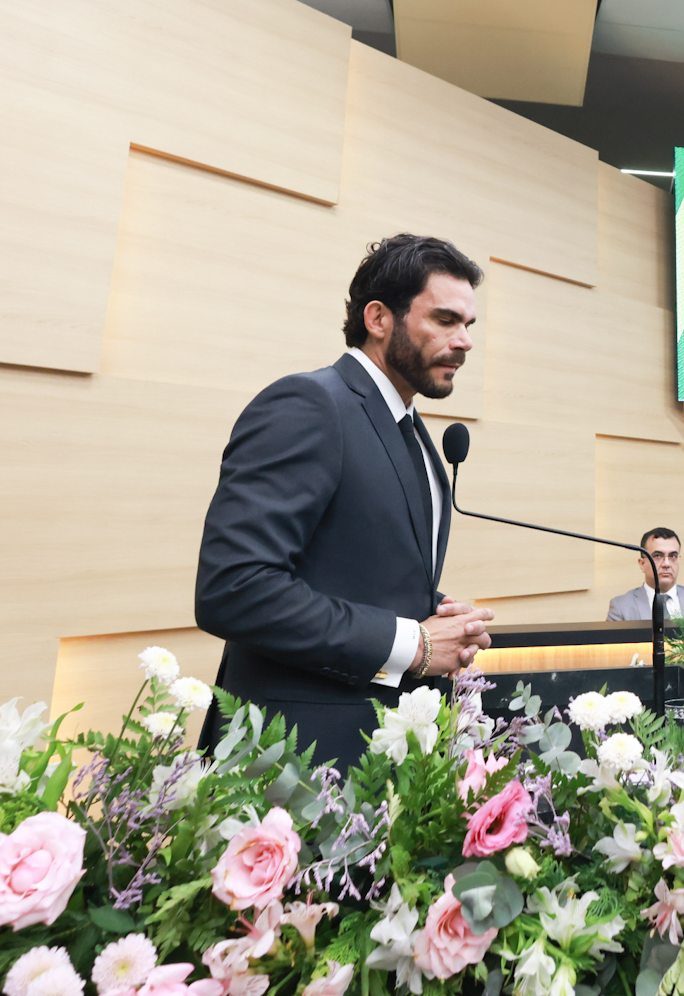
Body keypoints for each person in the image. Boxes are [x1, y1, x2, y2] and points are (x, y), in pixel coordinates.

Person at [193, 235, 496, 765]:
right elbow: (234, 588)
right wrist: (413, 644)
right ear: (378, 318)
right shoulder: (309, 405)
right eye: (446, 320)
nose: (464, 340)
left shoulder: (411, 426)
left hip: (378, 761)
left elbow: (356, 568)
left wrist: (439, 618)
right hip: (294, 762)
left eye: (468, 325)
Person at [605, 527, 684, 622]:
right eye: (657, 556)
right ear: (642, 563)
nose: (666, 564)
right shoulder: (621, 607)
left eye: (673, 556)